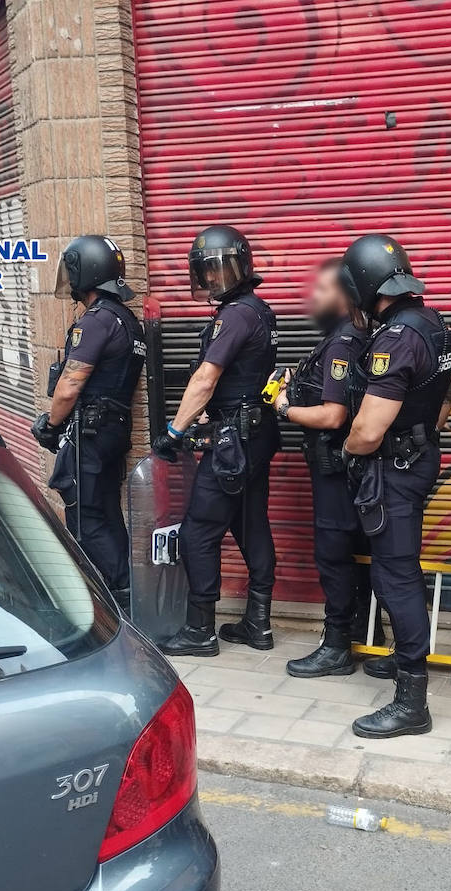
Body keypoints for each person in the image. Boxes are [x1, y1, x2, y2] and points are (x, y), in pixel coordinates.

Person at [340, 233, 451, 738]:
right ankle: (403, 662)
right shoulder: (433, 322)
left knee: (396, 577)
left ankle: (412, 702)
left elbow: (368, 429)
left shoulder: (395, 337)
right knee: (400, 572)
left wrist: (348, 452)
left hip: (395, 468)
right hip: (418, 458)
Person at [154, 225, 280, 657]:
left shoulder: (235, 315)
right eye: (208, 269)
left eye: (220, 268)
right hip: (256, 434)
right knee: (250, 523)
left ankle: (200, 631)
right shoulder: (260, 310)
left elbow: (205, 379)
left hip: (234, 442)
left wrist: (174, 430)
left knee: (198, 533)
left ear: (241, 267)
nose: (213, 277)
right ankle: (258, 624)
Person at [31, 235, 144, 608]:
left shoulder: (95, 322)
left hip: (91, 433)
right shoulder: (127, 320)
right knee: (108, 513)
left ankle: (118, 600)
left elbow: (69, 387)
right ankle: (128, 593)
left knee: (87, 519)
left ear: (87, 272)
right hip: (113, 430)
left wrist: (50, 425)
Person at [276, 259, 374, 677]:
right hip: (348, 467)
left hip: (337, 467)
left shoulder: (343, 342)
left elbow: (333, 416)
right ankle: (368, 636)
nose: (312, 296)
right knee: (361, 554)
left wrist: (284, 406)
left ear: (345, 296)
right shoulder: (350, 336)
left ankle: (337, 647)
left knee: (334, 555)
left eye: (322, 289)